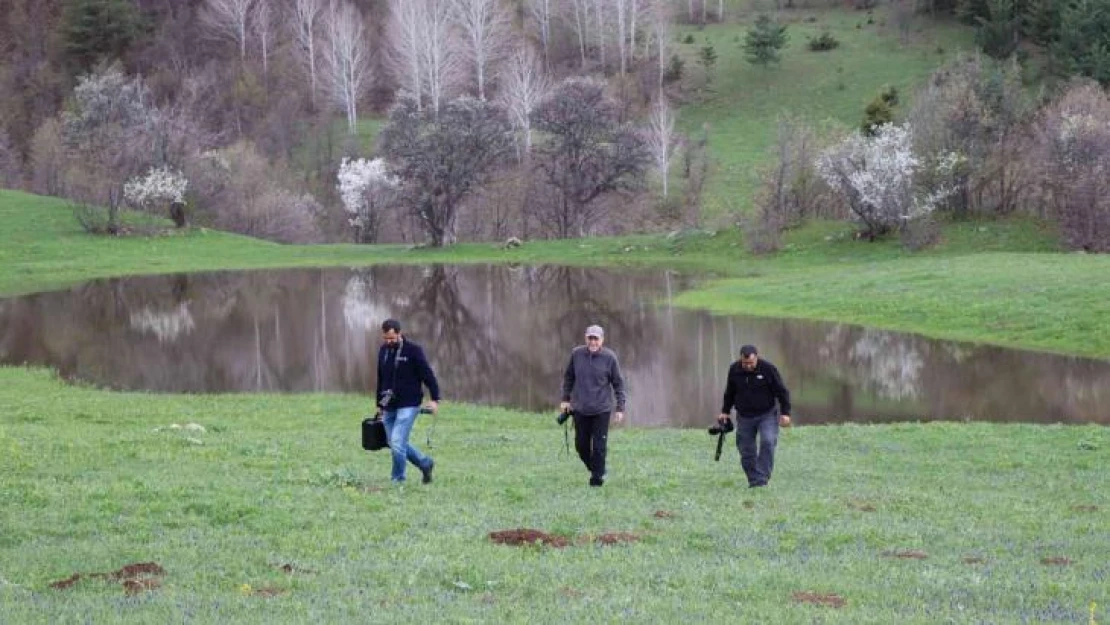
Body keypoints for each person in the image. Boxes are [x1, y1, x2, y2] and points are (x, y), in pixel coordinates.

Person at [375, 318, 440, 485]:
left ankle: (398, 480)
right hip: (389, 404)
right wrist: (379, 404)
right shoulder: (383, 351)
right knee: (393, 442)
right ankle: (424, 463)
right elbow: (381, 379)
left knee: (397, 442)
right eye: (385, 338)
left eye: (391, 338)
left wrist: (434, 399)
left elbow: (428, 375)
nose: (389, 342)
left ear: (399, 333)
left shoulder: (413, 351)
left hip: (409, 404)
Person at [560, 324, 626, 487]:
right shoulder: (576, 354)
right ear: (586, 338)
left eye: (596, 338)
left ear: (602, 340)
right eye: (590, 338)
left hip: (601, 410)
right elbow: (569, 378)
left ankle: (596, 481)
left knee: (598, 447)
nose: (593, 342)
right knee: (581, 447)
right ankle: (599, 469)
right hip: (580, 409)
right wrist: (566, 399)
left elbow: (618, 384)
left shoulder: (610, 358)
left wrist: (620, 408)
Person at [718, 344, 792, 488]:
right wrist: (725, 411)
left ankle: (762, 477)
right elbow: (730, 392)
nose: (748, 366)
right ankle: (755, 480)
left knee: (768, 441)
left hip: (767, 414)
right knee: (746, 450)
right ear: (740, 359)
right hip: (744, 416)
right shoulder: (734, 370)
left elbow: (782, 392)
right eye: (745, 363)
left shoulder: (768, 369)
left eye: (751, 363)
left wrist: (785, 413)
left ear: (756, 357)